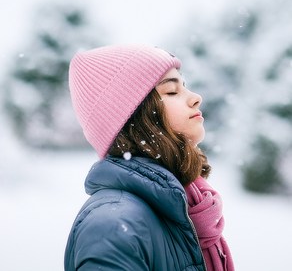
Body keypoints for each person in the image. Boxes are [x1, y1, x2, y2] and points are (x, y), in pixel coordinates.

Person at [64, 44, 234, 271]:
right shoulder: (114, 226)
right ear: (135, 117)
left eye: (184, 86)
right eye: (172, 91)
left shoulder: (187, 205)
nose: (196, 98)